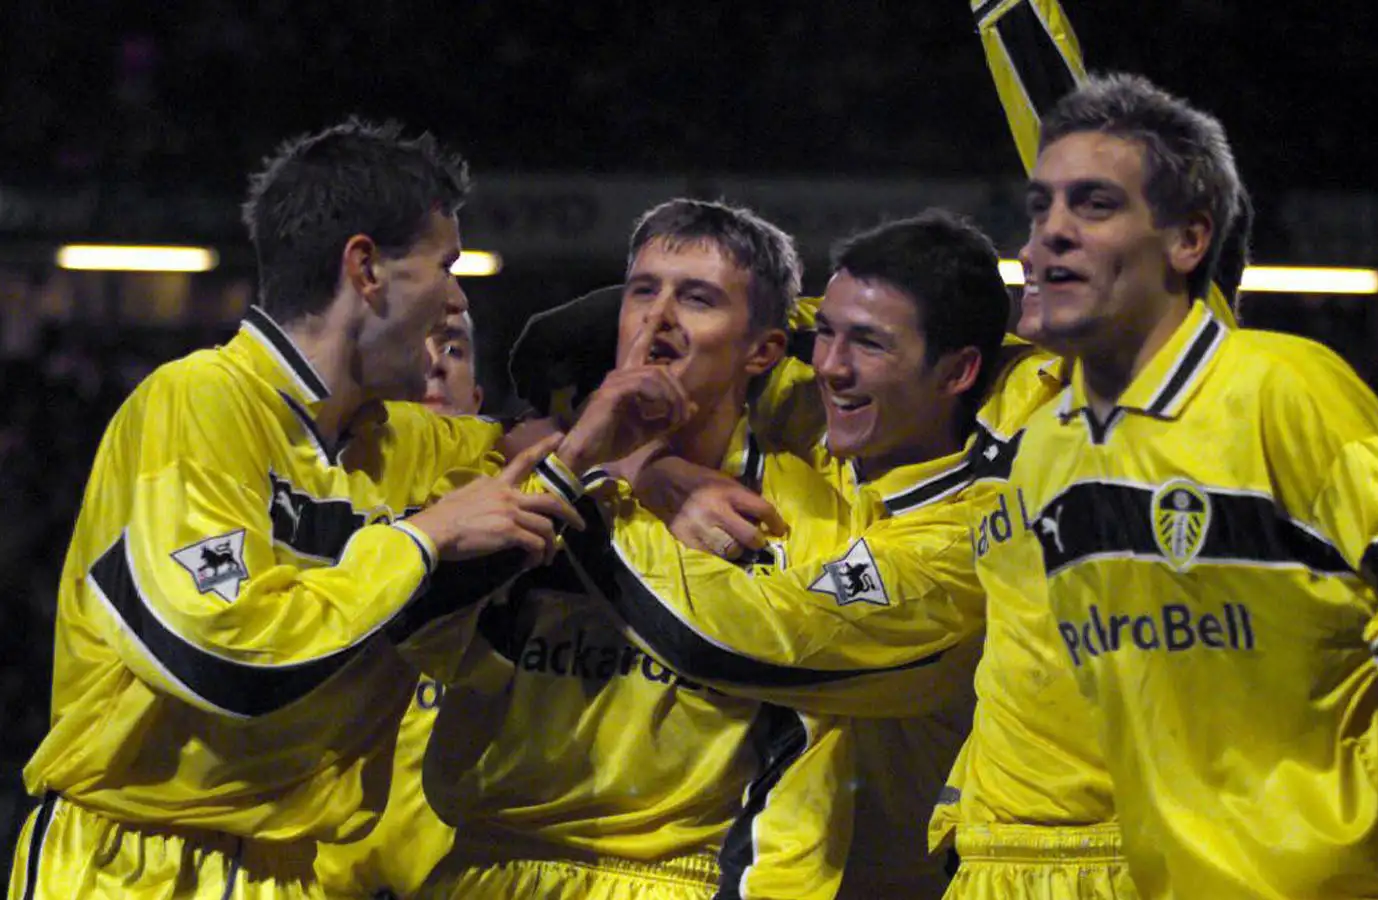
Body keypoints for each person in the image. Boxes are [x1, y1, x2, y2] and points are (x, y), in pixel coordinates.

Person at [1003, 71, 1378, 899]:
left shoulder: (1286, 389)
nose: (1050, 234)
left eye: (1094, 205)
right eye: (1040, 207)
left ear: (1187, 242)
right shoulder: (1046, 453)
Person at [8, 119, 579, 900]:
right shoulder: (196, 403)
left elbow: (551, 462)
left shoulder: (397, 439)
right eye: (444, 265)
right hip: (133, 864)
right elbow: (222, 659)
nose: (456, 295)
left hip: (293, 873)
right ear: (366, 268)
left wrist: (673, 471)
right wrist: (418, 541)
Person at [552, 211, 1024, 895]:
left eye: (867, 344)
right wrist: (645, 469)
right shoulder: (810, 429)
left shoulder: (962, 544)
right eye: (824, 334)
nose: (829, 366)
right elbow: (571, 351)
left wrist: (590, 502)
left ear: (958, 372)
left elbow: (745, 636)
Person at [418, 198, 855, 900]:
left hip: (665, 881)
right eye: (643, 291)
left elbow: (804, 772)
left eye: (699, 299)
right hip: (477, 871)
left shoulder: (796, 517)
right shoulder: (506, 474)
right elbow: (412, 630)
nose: (658, 321)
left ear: (763, 350)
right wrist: (600, 461)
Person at [313, 310, 485, 899]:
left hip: (457, 875)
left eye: (455, 351)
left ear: (479, 398)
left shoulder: (525, 515)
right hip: (312, 870)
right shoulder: (319, 497)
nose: (435, 362)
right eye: (422, 342)